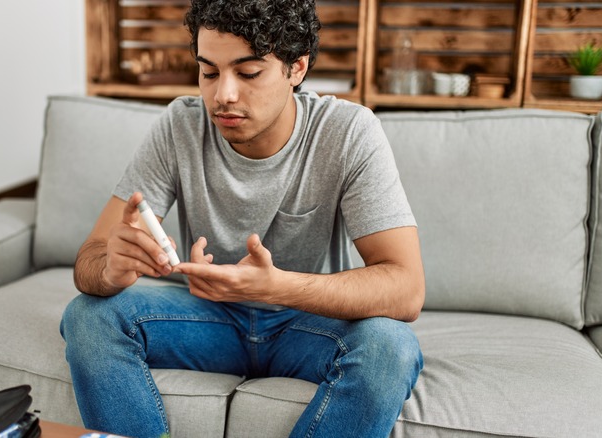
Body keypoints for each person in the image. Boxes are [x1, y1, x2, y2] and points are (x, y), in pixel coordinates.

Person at [60, 0, 425, 436]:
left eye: (248, 73)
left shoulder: (347, 132)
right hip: (208, 321)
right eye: (209, 72)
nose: (223, 95)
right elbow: (91, 260)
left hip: (303, 324)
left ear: (297, 69)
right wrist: (112, 269)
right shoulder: (180, 125)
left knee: (391, 347)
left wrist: (277, 287)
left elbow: (406, 289)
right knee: (88, 315)